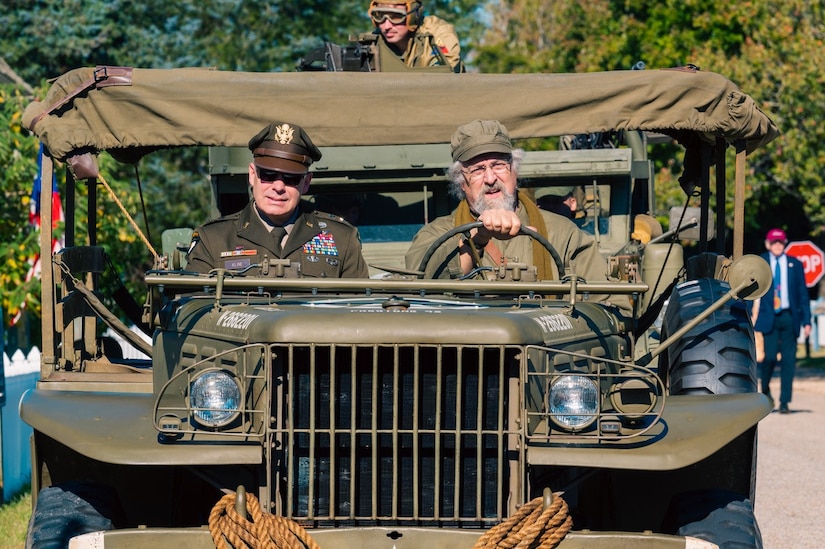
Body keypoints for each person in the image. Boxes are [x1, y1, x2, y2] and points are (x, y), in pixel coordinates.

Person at [404, 119, 611, 288]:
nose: (490, 178)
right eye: (477, 170)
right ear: (461, 182)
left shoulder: (564, 234)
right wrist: (478, 237)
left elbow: (608, 305)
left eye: (499, 166)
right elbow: (422, 287)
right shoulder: (436, 235)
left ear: (515, 171)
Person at [186, 121, 369, 278]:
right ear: (252, 174)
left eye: (291, 178)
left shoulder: (342, 239)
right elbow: (192, 306)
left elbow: (361, 309)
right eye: (268, 174)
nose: (279, 187)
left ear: (306, 183)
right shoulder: (213, 239)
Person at [751, 228, 812, 413]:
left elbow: (803, 294)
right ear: (768, 244)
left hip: (789, 316)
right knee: (769, 357)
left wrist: (806, 321)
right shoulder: (761, 262)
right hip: (769, 317)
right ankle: (766, 389)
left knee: (788, 361)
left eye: (780, 243)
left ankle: (785, 401)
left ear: (784, 244)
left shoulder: (795, 264)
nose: (777, 246)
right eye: (774, 242)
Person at [368, 0, 464, 72]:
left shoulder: (437, 33)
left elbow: (443, 74)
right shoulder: (371, 42)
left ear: (413, 16)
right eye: (380, 17)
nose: (386, 26)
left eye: (396, 17)